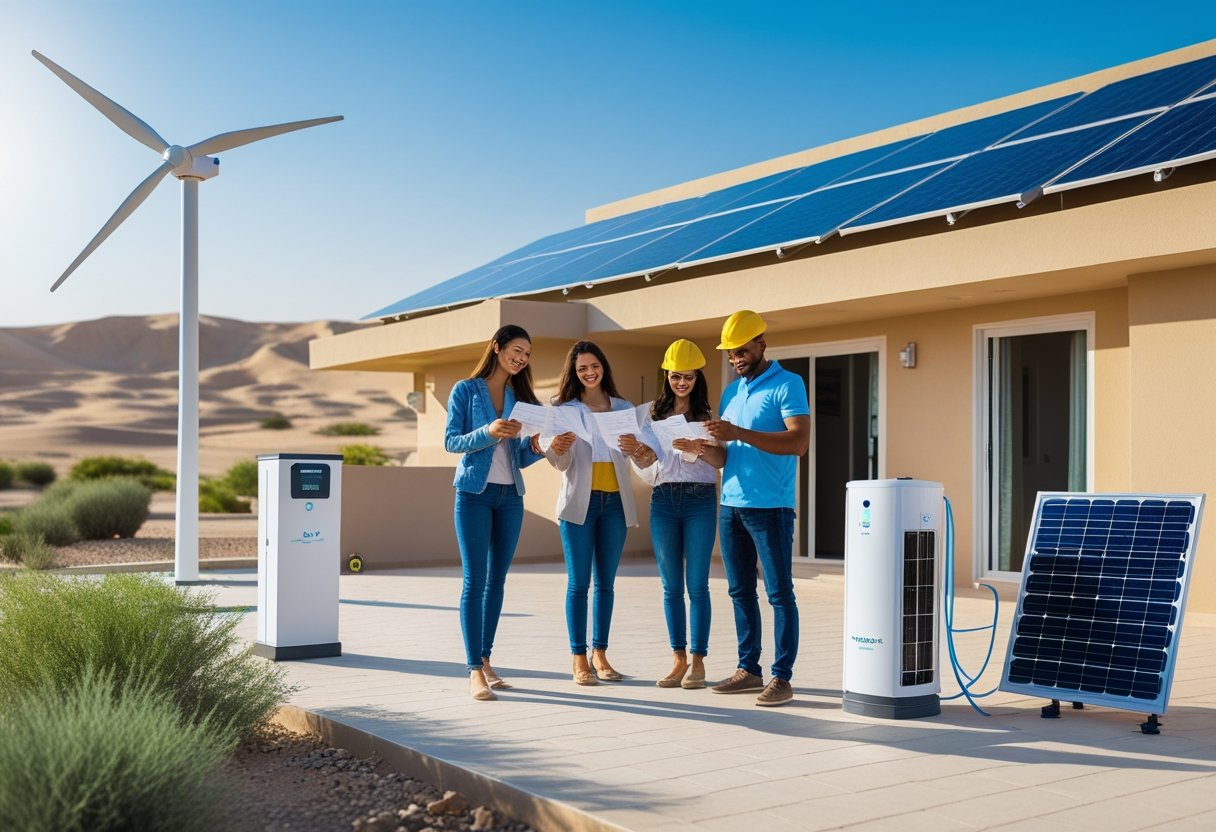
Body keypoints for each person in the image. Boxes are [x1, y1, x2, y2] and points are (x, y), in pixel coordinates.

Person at [704, 310, 810, 707]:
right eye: (731, 354)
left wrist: (737, 433)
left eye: (742, 351)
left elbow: (799, 442)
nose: (736, 359)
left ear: (762, 344)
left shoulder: (788, 384)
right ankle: (749, 669)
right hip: (729, 505)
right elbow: (726, 456)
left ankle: (782, 677)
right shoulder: (732, 392)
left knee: (780, 593)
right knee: (739, 591)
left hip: (770, 509)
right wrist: (705, 450)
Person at [444, 324, 545, 701]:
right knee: (474, 580)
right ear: (497, 347)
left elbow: (518, 456)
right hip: (474, 495)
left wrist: (537, 447)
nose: (522, 358)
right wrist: (489, 430)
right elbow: (451, 441)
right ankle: (473, 670)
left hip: (510, 497)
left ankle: (486, 659)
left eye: (528, 353)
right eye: (517, 350)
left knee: (497, 582)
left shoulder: (520, 396)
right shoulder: (465, 390)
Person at [619, 339, 721, 690]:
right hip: (663, 499)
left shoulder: (709, 418)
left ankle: (698, 662)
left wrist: (699, 449)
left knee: (698, 585)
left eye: (689, 377)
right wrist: (636, 451)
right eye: (677, 376)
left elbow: (722, 461)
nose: (682, 383)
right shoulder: (652, 417)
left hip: (700, 500)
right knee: (671, 587)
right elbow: (649, 463)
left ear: (698, 378)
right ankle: (678, 659)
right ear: (667, 375)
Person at [542, 340, 639, 686]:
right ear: (574, 372)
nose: (589, 372)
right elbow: (559, 463)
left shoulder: (623, 407)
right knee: (579, 583)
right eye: (582, 368)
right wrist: (556, 449)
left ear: (603, 367)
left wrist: (634, 447)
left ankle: (601, 654)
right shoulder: (562, 408)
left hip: (615, 503)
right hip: (577, 505)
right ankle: (578, 658)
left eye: (594, 366)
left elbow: (636, 457)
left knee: (606, 585)